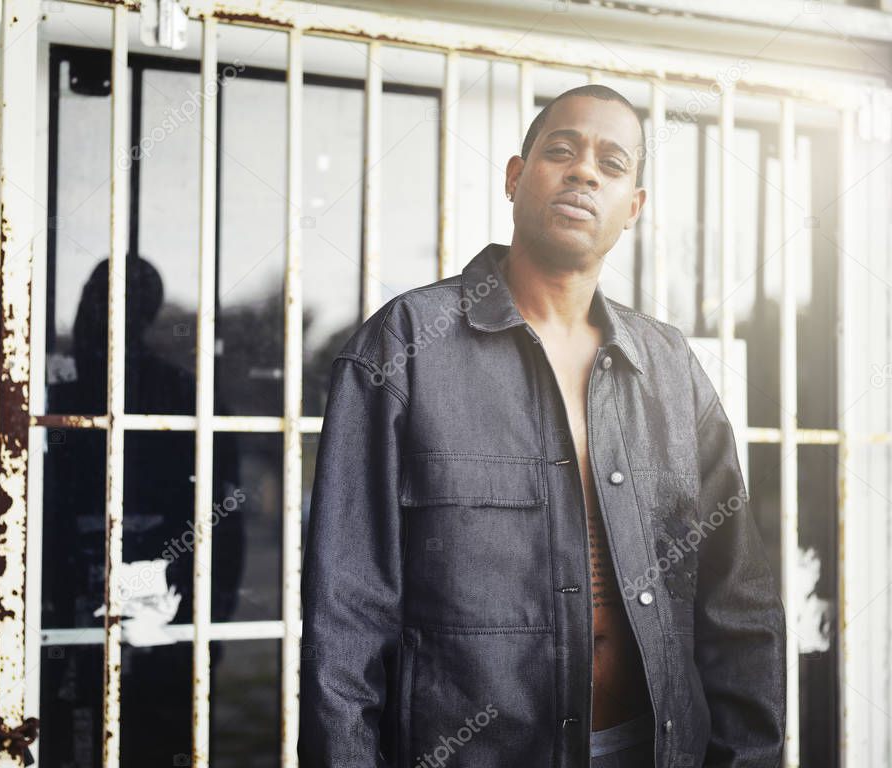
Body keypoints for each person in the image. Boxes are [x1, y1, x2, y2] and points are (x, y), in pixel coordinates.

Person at [298, 84, 785, 767]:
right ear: (515, 177)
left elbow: (739, 605)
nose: (585, 171)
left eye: (613, 165)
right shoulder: (403, 348)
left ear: (633, 210)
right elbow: (346, 621)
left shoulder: (670, 368)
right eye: (561, 151)